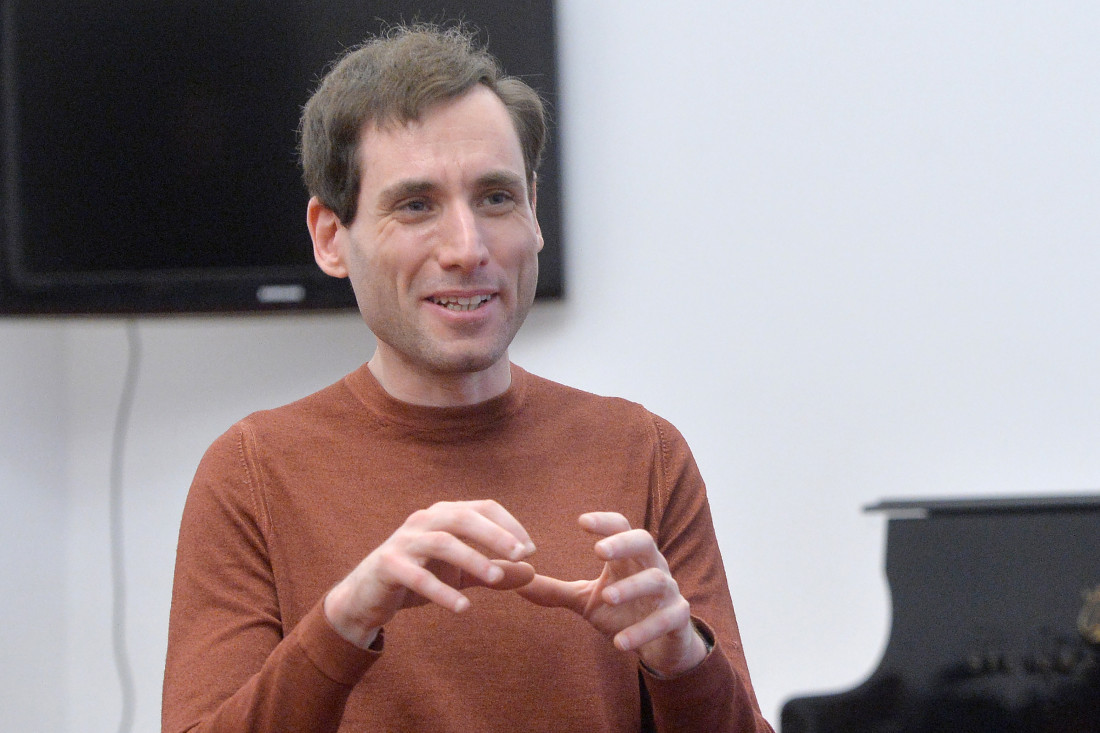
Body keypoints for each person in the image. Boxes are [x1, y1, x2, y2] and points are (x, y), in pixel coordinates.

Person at [162, 23, 773, 733]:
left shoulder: (644, 450)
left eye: (495, 197)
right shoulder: (251, 472)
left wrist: (682, 661)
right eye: (416, 205)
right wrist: (345, 619)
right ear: (331, 237)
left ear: (534, 213)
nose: (467, 247)